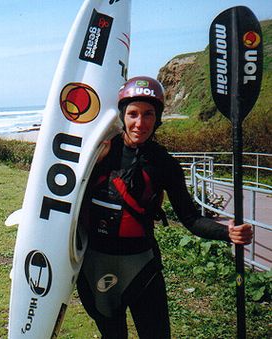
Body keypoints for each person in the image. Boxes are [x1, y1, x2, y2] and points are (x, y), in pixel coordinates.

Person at [77, 76, 253, 339]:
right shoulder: (97, 151)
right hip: (94, 267)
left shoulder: (164, 164)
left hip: (141, 268)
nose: (140, 123)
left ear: (157, 118)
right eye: (133, 114)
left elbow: (191, 218)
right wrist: (89, 165)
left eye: (148, 114)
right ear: (122, 115)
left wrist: (227, 232)